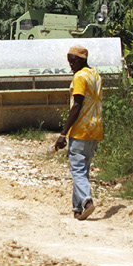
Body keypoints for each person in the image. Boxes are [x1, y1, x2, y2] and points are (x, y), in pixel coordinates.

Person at [53, 44, 102, 221]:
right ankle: (78, 208)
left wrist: (63, 133)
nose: (71, 64)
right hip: (95, 128)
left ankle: (87, 201)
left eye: (73, 61)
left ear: (82, 60)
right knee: (83, 169)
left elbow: (77, 105)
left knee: (77, 169)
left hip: (81, 129)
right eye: (69, 61)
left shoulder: (80, 77)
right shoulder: (94, 74)